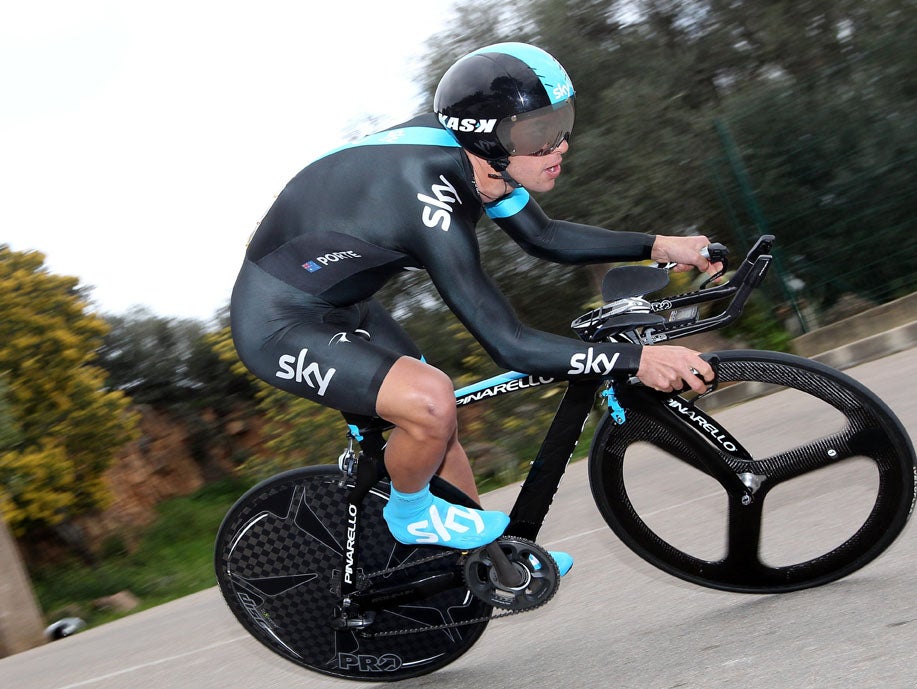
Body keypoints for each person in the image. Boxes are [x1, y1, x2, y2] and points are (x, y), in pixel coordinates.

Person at [230, 42, 720, 576]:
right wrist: (638, 363)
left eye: (561, 124)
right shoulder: (428, 194)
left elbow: (546, 237)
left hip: (344, 305)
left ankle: (491, 563)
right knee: (431, 401)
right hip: (278, 324)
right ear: (489, 134)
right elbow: (509, 343)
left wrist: (657, 245)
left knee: (441, 431)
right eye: (538, 134)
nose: (558, 146)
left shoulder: (483, 160)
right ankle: (410, 512)